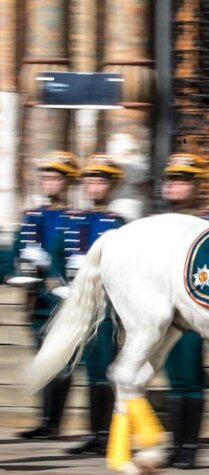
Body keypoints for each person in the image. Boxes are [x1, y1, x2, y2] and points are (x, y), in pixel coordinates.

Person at [54, 154, 127, 455]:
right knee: (86, 368)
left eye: (100, 180)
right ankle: (93, 432)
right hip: (75, 303)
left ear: (110, 186)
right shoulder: (74, 220)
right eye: (90, 180)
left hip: (104, 307)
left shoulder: (118, 223)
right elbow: (57, 256)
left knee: (102, 369)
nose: (94, 185)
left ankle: (104, 434)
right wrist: (58, 283)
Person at [10, 151, 80, 440]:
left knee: (61, 359)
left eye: (55, 177)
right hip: (37, 298)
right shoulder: (33, 215)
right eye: (46, 176)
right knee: (42, 358)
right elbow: (15, 250)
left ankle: (55, 422)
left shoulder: (74, 218)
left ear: (67, 182)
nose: (48, 181)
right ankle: (44, 419)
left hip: (64, 299)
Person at [159, 153, 209, 468]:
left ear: (195, 187)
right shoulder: (156, 224)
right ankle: (175, 445)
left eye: (183, 181)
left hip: (193, 312)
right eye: (172, 179)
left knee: (190, 378)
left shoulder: (204, 225)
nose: (175, 186)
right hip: (162, 311)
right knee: (175, 379)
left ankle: (189, 447)